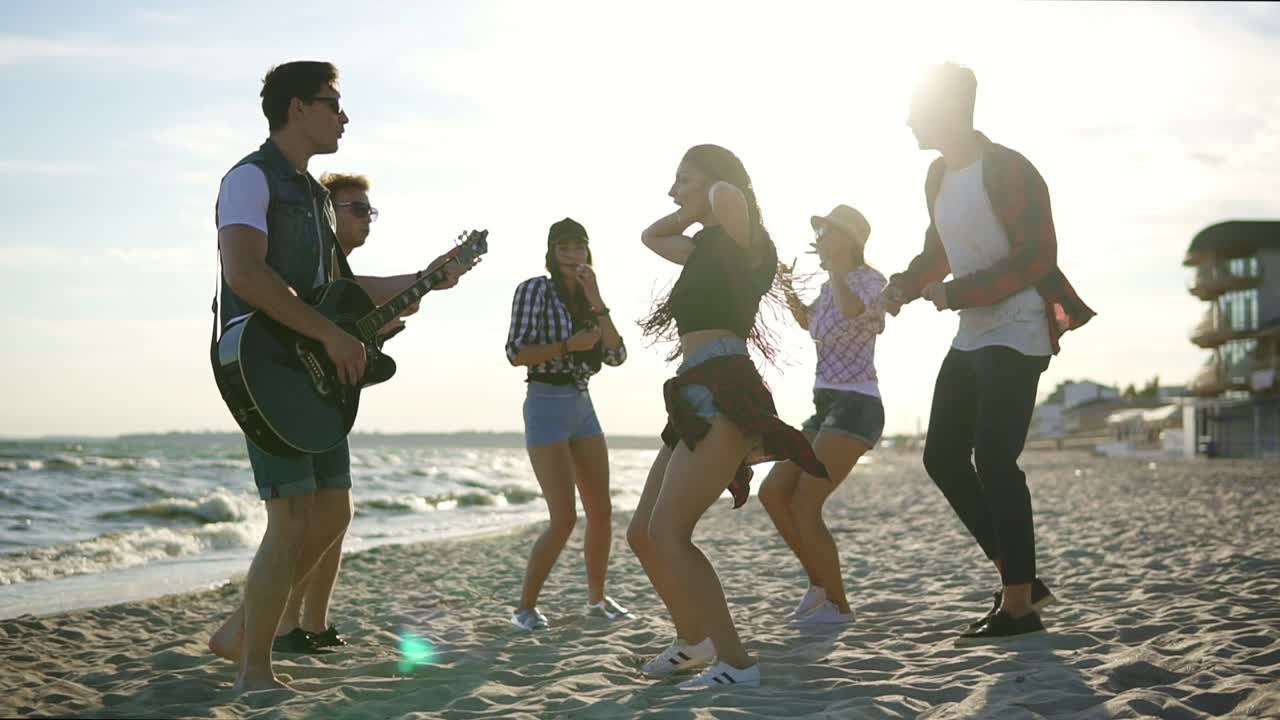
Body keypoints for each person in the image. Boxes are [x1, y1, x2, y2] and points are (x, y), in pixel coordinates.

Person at [206, 61, 465, 693]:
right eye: (333, 104)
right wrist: (326, 332)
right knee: (291, 519)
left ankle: (243, 629)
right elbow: (244, 272)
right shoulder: (248, 178)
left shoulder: (319, 198)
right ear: (296, 109)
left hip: (316, 374)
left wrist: (424, 276)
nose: (343, 116)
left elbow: (337, 291)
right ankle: (255, 670)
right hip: (264, 366)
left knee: (331, 515)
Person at [882, 63, 1095, 644]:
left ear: (950, 109)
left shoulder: (1010, 169)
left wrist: (957, 293)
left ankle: (1019, 607)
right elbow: (939, 249)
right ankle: (1018, 578)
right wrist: (904, 285)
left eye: (917, 109)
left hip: (1019, 324)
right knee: (942, 457)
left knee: (995, 459)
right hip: (972, 330)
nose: (907, 120)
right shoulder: (935, 176)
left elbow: (1036, 258)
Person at [627, 145, 828, 689]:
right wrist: (690, 201)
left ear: (714, 180)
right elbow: (651, 235)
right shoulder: (703, 248)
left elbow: (727, 195)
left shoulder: (747, 244)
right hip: (692, 394)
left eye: (682, 179)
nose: (673, 192)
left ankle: (737, 664)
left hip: (725, 391)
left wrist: (701, 196)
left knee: (670, 533)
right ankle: (694, 642)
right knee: (643, 534)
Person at [272, 171, 408, 653]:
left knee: (335, 514)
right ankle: (282, 622)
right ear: (329, 213)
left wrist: (372, 339)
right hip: (293, 397)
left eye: (370, 210)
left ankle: (312, 621)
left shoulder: (340, 276)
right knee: (310, 516)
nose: (366, 218)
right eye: (357, 209)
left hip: (328, 401)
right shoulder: (313, 263)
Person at [759, 204, 887, 626]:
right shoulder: (830, 287)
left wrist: (836, 268)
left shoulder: (869, 281)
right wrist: (786, 286)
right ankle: (819, 585)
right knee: (773, 493)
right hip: (825, 404)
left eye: (827, 232)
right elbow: (810, 322)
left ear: (847, 238)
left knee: (806, 503)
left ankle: (839, 607)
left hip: (858, 404)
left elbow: (853, 312)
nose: (819, 239)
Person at [505, 218, 629, 631]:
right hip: (545, 402)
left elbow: (616, 356)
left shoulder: (589, 298)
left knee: (602, 511)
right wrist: (566, 346)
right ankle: (525, 607)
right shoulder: (534, 290)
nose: (573, 255)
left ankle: (597, 599)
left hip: (582, 402)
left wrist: (597, 299)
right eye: (565, 248)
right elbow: (516, 353)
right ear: (552, 253)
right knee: (563, 518)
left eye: (580, 247)